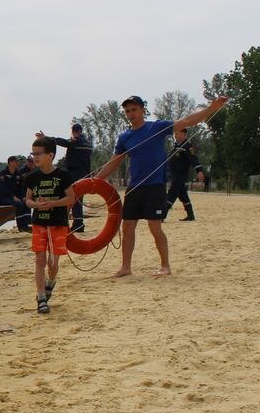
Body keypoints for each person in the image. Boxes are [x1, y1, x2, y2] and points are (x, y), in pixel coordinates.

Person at [94, 95, 228, 278]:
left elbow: (187, 121)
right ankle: (126, 267)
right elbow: (114, 162)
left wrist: (212, 108)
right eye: (127, 111)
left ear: (142, 110)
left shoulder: (155, 127)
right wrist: (95, 180)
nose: (130, 114)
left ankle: (165, 265)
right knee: (127, 227)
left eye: (134, 110)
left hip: (155, 185)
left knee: (155, 227)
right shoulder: (124, 137)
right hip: (134, 187)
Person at [24, 136, 77, 314]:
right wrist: (37, 205)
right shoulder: (32, 177)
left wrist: (52, 204)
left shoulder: (63, 175)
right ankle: (40, 298)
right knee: (39, 260)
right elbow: (28, 200)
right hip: (39, 224)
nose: (35, 157)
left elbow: (71, 198)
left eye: (38, 154)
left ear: (51, 155)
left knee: (52, 262)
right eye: (33, 153)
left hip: (58, 224)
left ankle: (51, 282)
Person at [36, 122, 93, 232]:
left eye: (74, 132)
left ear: (76, 132)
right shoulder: (88, 143)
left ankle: (66, 223)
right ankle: (78, 223)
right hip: (85, 173)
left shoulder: (76, 141)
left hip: (74, 173)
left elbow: (62, 142)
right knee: (78, 199)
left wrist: (45, 138)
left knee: (68, 197)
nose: (73, 133)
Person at [165, 127, 204, 221]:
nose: (175, 136)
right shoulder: (177, 145)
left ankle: (162, 215)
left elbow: (194, 159)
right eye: (175, 134)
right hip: (173, 174)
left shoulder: (187, 146)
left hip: (180, 175)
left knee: (171, 194)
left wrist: (199, 171)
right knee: (183, 195)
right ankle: (190, 215)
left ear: (183, 134)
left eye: (177, 134)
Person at [0, 155, 32, 232]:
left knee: (26, 202)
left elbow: (21, 187)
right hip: (4, 198)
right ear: (10, 163)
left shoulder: (18, 174)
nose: (18, 163)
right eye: (16, 161)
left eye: (18, 161)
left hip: (15, 197)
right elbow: (1, 188)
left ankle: (26, 224)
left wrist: (24, 196)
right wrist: (12, 196)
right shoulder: (3, 173)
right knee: (19, 204)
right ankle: (21, 226)